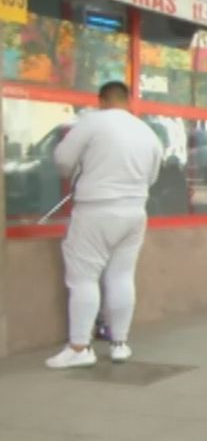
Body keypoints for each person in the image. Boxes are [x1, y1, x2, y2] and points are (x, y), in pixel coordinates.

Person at [46, 81, 163, 369]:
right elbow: (153, 176)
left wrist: (78, 171)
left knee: (83, 278)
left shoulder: (93, 122)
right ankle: (119, 343)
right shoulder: (147, 132)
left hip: (96, 209)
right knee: (122, 275)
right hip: (135, 210)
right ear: (128, 100)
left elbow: (62, 159)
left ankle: (79, 347)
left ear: (101, 100)